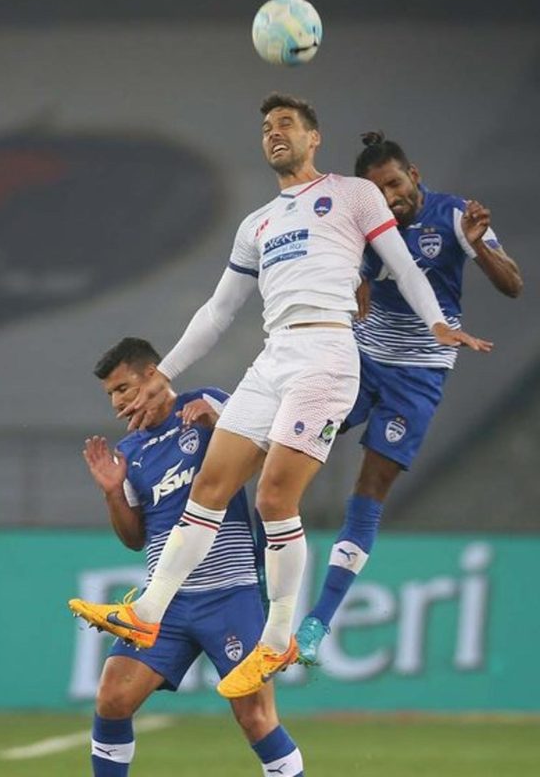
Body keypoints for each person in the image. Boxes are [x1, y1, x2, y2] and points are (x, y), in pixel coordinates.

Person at [67, 92, 493, 701]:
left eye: (286, 124)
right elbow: (218, 311)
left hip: (327, 353)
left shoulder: (353, 194)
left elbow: (402, 265)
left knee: (273, 498)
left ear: (313, 138)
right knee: (210, 487)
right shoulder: (257, 224)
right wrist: (165, 372)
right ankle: (148, 611)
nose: (274, 133)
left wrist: (436, 324)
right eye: (267, 126)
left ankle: (276, 640)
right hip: (274, 356)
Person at [294, 132, 523, 663]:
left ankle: (318, 621)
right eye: (377, 190)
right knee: (292, 442)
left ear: (413, 175)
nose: (390, 197)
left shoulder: (456, 216)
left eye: (395, 184)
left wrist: (478, 246)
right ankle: (253, 559)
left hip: (419, 374)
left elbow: (513, 285)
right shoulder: (367, 227)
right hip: (361, 360)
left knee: (371, 486)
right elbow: (350, 285)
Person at [71, 337, 305, 777]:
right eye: (111, 395)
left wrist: (220, 423)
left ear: (153, 375)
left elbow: (274, 458)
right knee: (112, 699)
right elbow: (134, 539)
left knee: (255, 718)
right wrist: (113, 493)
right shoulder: (130, 452)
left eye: (123, 388)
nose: (117, 402)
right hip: (165, 607)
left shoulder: (208, 403)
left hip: (230, 594)